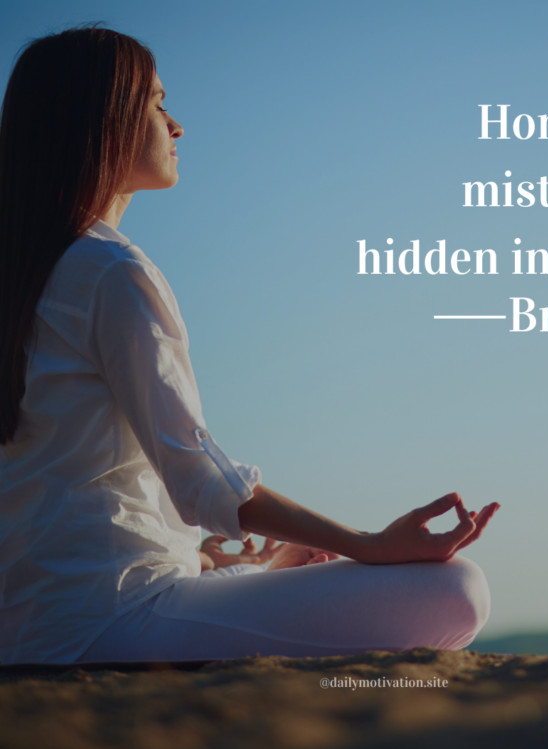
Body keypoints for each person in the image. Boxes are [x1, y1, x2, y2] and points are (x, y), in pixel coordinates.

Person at [0, 26, 498, 665]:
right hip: (109, 621)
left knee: (254, 568)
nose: (175, 125)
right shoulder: (111, 273)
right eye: (156, 103)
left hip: (31, 624)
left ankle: (253, 572)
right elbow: (198, 477)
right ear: (106, 118)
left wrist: (207, 558)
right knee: (459, 589)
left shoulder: (25, 279)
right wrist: (366, 543)